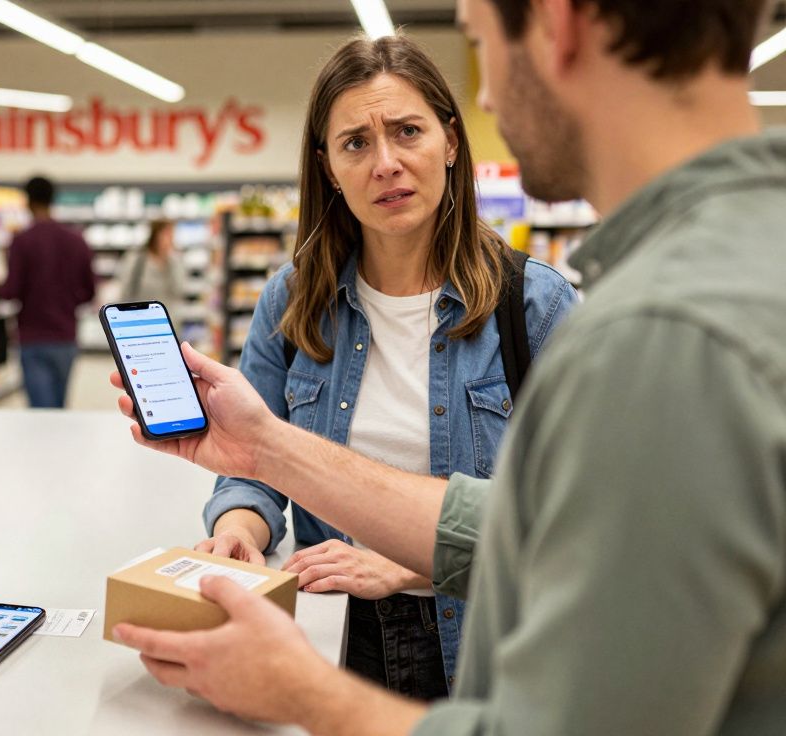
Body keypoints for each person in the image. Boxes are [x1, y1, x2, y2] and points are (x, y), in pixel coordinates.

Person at [110, 0, 786, 733]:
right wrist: (262, 459)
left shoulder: (654, 332)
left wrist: (305, 692)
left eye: (479, 41)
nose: (488, 94)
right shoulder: (718, 281)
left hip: (460, 638)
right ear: (327, 168)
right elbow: (546, 527)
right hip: (343, 618)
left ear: (555, 24)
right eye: (356, 144)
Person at [198, 35, 576, 699]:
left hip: (488, 640)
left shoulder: (534, 305)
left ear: (451, 143)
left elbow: (578, 513)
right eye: (355, 143)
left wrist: (409, 564)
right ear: (328, 169)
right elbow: (252, 462)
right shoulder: (292, 302)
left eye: (408, 131)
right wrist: (237, 530)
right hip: (331, 628)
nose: (387, 164)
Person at [0, 176, 95, 409]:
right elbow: (89, 291)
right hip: (65, 335)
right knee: (59, 406)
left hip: (33, 336)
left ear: (28, 202)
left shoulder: (21, 241)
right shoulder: (76, 240)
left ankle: (42, 446)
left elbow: (10, 291)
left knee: (40, 409)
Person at [117, 219, 187, 314]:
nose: (170, 239)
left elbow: (179, 290)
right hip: (140, 316)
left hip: (167, 318)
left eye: (172, 235)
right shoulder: (137, 259)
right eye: (166, 234)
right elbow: (125, 290)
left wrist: (174, 260)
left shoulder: (174, 261)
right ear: (155, 235)